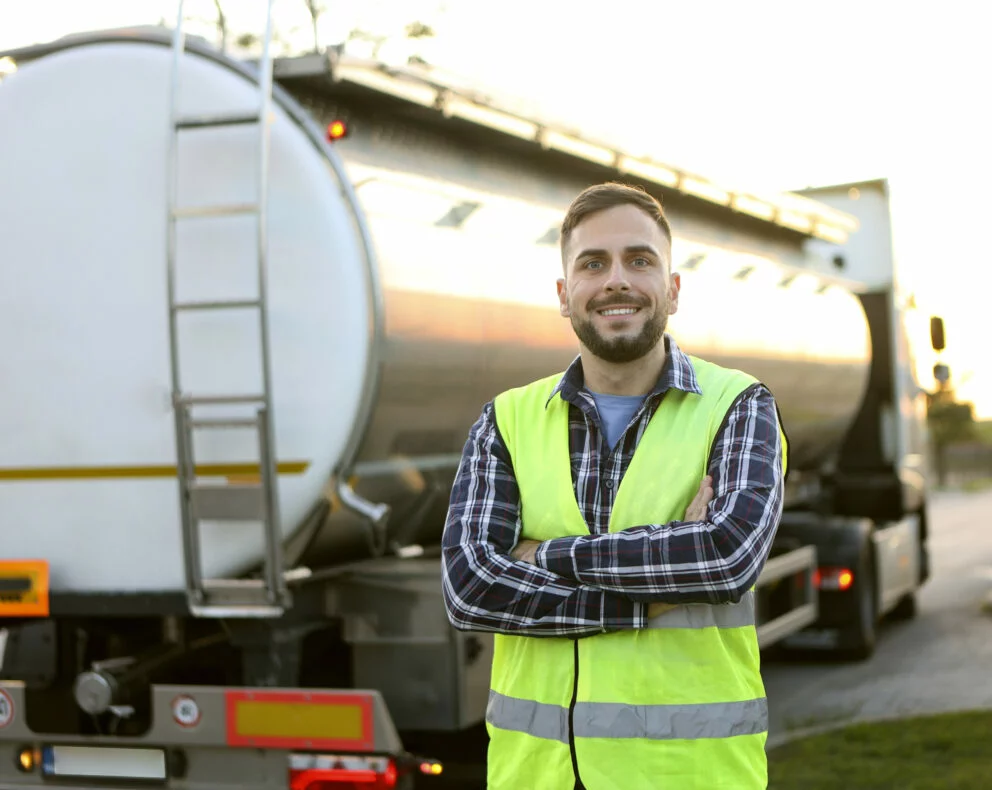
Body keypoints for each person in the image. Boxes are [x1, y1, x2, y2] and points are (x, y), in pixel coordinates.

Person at [441, 181, 787, 789]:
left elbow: (726, 558)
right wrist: (654, 588)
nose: (616, 280)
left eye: (640, 260)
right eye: (592, 263)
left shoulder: (738, 405)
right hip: (538, 777)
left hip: (689, 776)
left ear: (673, 291)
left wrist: (544, 554)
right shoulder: (506, 419)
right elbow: (470, 588)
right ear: (564, 293)